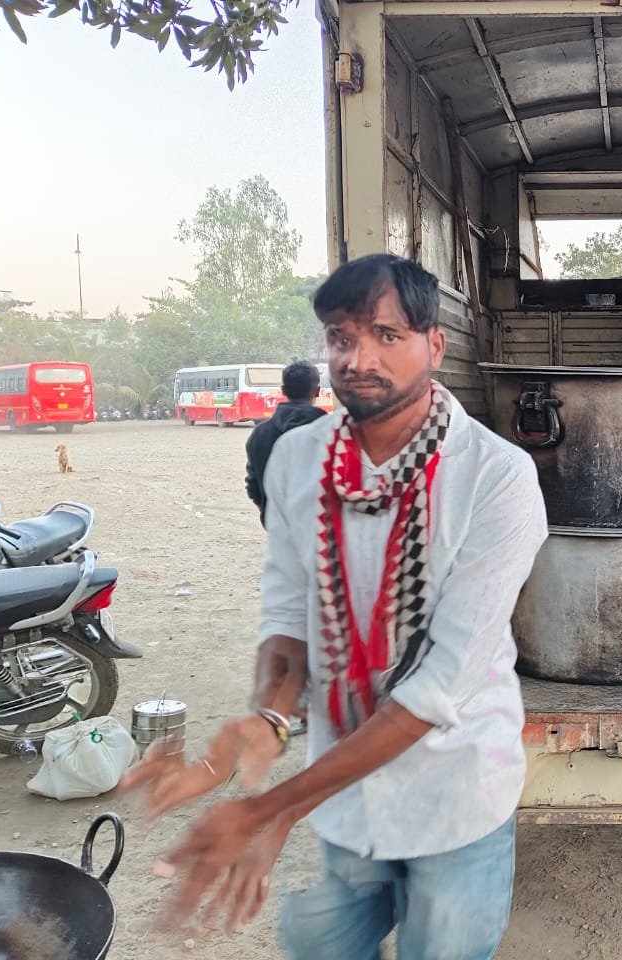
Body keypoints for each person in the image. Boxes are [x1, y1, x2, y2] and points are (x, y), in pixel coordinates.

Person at [124, 253, 549, 960]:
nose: (358, 359)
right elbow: (291, 617)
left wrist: (270, 810)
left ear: (435, 345)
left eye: (386, 335)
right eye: (340, 337)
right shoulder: (298, 459)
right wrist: (269, 717)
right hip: (344, 804)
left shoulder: (496, 476)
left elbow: (437, 688)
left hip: (456, 793)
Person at [244, 360, 327, 526]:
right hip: (324, 527)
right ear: (317, 391)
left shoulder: (260, 434)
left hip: (278, 525)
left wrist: (271, 511)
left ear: (283, 390)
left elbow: (253, 486)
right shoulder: (333, 432)